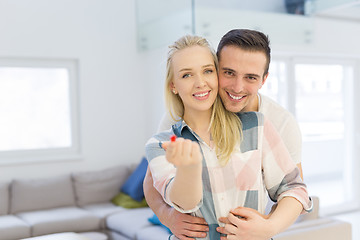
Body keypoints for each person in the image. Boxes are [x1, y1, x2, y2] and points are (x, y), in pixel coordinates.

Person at [145, 35, 312, 240]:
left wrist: (267, 228)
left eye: (207, 71)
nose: (237, 87)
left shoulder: (266, 124)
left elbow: (295, 189)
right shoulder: (166, 133)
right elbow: (154, 183)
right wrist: (168, 215)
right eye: (229, 73)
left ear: (263, 79)